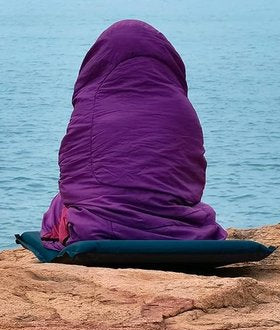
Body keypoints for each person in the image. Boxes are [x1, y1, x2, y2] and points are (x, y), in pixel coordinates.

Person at [41, 19, 227, 250]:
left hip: (98, 228)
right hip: (176, 224)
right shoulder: (181, 108)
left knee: (60, 206)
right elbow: (192, 178)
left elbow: (71, 177)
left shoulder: (92, 104)